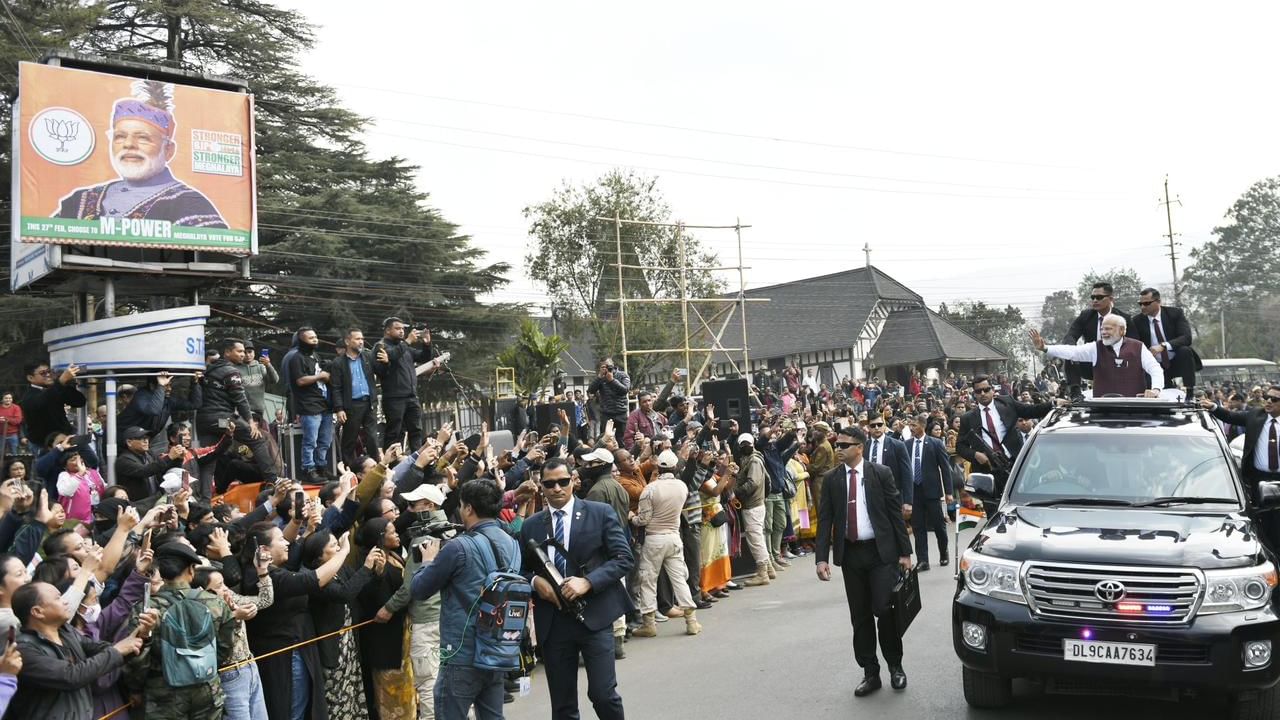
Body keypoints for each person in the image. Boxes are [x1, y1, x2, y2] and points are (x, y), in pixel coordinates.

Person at [518, 458, 631, 720]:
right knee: (563, 705)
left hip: (595, 615)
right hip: (554, 621)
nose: (557, 488)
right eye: (549, 484)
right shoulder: (531, 525)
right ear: (541, 486)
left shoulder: (599, 513)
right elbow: (520, 570)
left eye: (563, 482)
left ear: (574, 481)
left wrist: (588, 582)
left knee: (604, 694)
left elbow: (623, 558)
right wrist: (536, 583)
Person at [412, 477, 522, 720]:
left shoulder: (458, 547)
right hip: (497, 649)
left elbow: (419, 590)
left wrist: (428, 561)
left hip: (461, 653)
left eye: (461, 505)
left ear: (469, 508)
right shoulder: (512, 543)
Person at [814, 425, 912, 698]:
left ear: (859, 447)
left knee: (885, 610)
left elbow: (895, 515)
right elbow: (825, 520)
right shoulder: (833, 479)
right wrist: (821, 558)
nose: (839, 449)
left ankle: (896, 666)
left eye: (844, 445)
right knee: (860, 616)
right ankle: (870, 672)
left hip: (882, 554)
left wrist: (905, 553)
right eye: (837, 444)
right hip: (851, 555)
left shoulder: (881, 474)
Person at [53, 79, 226, 228]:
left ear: (168, 150)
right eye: (120, 137)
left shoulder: (189, 203)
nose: (129, 145)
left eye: (143, 138)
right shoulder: (82, 198)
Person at [9, 581, 151, 719]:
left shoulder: (66, 631)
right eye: (58, 598)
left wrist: (141, 636)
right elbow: (71, 676)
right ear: (37, 612)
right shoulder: (24, 650)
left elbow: (101, 649)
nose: (65, 601)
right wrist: (118, 651)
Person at [128, 542, 236, 720]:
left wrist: (135, 689)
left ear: (161, 572)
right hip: (206, 688)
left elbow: (137, 657)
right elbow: (225, 647)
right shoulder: (216, 603)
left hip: (162, 693)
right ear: (192, 570)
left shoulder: (146, 608)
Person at [955, 376, 1056, 516]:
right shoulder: (968, 418)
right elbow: (960, 446)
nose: (983, 394)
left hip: (1013, 465)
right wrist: (976, 455)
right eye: (978, 391)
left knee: (1020, 510)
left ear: (993, 390)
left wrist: (1053, 404)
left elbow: (1032, 410)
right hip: (987, 470)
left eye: (986, 389)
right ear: (974, 393)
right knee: (993, 514)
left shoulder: (1007, 403)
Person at [631, 450, 700, 638]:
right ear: (675, 467)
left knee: (648, 581)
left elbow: (643, 520)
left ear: (658, 467)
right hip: (674, 537)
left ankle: (649, 624)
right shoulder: (681, 487)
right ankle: (691, 621)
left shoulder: (650, 489)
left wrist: (632, 518)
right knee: (679, 579)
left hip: (654, 540)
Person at [196, 338, 278, 495]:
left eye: (244, 351)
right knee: (258, 439)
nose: (243, 354)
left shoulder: (209, 369)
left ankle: (206, 500)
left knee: (209, 459)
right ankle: (272, 480)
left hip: (203, 420)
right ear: (227, 352)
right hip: (222, 418)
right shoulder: (232, 372)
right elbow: (240, 399)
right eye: (239, 351)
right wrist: (250, 422)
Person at [1203, 389, 1280, 543]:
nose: (1268, 401)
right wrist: (1213, 407)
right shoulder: (1255, 415)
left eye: (1274, 399)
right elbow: (1230, 416)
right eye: (1266, 397)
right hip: (1259, 479)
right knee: (1265, 520)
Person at [1032, 316, 1163, 398]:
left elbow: (1155, 369)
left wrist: (1155, 389)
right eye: (1102, 329)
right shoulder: (1095, 348)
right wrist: (1045, 348)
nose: (1104, 333)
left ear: (1122, 330)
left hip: (1135, 410)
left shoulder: (1139, 347)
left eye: (1108, 329)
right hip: (1102, 410)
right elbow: (1072, 352)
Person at [1058, 282, 1136, 392]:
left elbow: (1135, 345)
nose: (1095, 300)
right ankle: (1075, 393)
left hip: (1116, 363)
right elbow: (1070, 335)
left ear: (1110, 299)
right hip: (1091, 362)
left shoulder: (1124, 318)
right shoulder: (1086, 316)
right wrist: (1072, 348)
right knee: (1070, 356)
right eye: (1093, 297)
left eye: (1099, 297)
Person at [374, 318, 434, 451]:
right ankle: (392, 464)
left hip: (411, 396)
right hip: (394, 397)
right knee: (395, 432)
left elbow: (423, 357)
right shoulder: (381, 346)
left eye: (403, 329)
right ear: (388, 330)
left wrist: (426, 344)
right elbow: (392, 356)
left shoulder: (404, 348)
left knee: (416, 430)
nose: (401, 331)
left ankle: (417, 461)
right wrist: (407, 341)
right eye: (397, 328)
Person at [904, 414, 954, 571]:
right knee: (918, 527)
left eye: (914, 425)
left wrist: (949, 492)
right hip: (914, 491)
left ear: (923, 426)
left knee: (938, 525)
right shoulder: (906, 444)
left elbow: (945, 469)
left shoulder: (935, 443)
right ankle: (923, 560)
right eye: (910, 425)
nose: (911, 428)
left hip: (932, 491)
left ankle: (943, 552)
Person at [286, 328, 334, 482]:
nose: (315, 340)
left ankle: (321, 467)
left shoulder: (315, 356)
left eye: (315, 337)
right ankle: (309, 469)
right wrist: (320, 376)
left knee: (325, 440)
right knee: (310, 441)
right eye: (311, 338)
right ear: (301, 340)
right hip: (309, 405)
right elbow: (300, 380)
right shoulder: (296, 358)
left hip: (324, 402)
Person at [1133, 288, 1202, 395]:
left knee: (1185, 350)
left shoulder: (1175, 313)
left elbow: (1186, 337)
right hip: (1155, 365)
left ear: (1158, 302)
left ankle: (1190, 391)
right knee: (1163, 391)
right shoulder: (1137, 321)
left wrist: (1164, 346)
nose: (1143, 307)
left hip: (1175, 361)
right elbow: (1135, 345)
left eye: (1146, 303)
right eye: (1140, 304)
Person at [331, 327, 381, 468]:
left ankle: (375, 467)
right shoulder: (339, 363)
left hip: (369, 403)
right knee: (350, 439)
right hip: (351, 405)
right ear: (348, 341)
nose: (361, 342)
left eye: (362, 339)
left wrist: (386, 361)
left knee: (372, 437)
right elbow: (336, 388)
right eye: (357, 339)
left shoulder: (368, 357)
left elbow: (382, 371)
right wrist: (339, 409)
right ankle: (350, 469)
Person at [735, 433, 775, 586]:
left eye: (747, 444)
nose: (745, 446)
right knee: (758, 537)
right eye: (743, 444)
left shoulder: (754, 461)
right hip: (756, 503)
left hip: (753, 505)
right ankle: (769, 569)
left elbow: (753, 483)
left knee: (755, 539)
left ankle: (762, 573)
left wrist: (736, 493)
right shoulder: (752, 459)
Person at [19, 361, 86, 451]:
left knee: (91, 458)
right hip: (43, 444)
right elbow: (43, 401)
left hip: (65, 437)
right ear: (30, 377)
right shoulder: (29, 397)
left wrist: (65, 384)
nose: (48, 375)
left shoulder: (54, 389)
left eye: (49, 371)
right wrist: (60, 381)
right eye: (43, 373)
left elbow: (79, 402)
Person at [115, 425, 185, 501]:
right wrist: (169, 457)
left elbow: (163, 470)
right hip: (139, 504)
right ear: (129, 442)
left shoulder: (149, 454)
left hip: (157, 498)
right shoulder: (123, 460)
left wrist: (178, 459)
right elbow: (145, 471)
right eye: (141, 438)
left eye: (147, 438)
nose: (146, 441)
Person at [862, 415, 913, 519]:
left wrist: (908, 501)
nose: (876, 427)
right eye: (873, 425)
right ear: (868, 427)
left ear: (884, 426)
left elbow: (907, 474)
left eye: (879, 425)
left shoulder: (897, 445)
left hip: (892, 495)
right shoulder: (863, 446)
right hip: (869, 495)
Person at [588, 358, 631, 446]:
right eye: (604, 366)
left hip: (620, 413)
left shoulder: (622, 375)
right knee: (605, 440)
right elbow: (591, 391)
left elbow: (625, 390)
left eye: (608, 366)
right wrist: (599, 377)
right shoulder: (601, 378)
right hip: (606, 414)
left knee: (622, 440)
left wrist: (612, 380)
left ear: (613, 365)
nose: (606, 368)